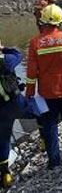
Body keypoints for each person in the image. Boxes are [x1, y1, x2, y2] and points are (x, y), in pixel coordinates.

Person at [26, 4, 62, 168]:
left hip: (48, 92)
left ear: (42, 22)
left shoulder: (35, 43)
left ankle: (54, 161)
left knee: (49, 125)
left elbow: (31, 73)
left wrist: (30, 92)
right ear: (59, 21)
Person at [0, 43, 24, 187]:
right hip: (14, 104)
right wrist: (3, 48)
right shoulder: (6, 60)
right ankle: (44, 142)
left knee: (3, 140)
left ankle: (5, 175)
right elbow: (18, 54)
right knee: (43, 113)